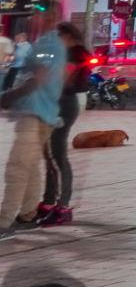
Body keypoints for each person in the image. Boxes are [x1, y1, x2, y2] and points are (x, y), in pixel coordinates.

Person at [0, 13, 64, 236]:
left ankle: (3, 221)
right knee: (30, 167)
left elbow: (39, 77)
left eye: (42, 17)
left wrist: (8, 97)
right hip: (40, 113)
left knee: (17, 167)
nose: (35, 21)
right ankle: (28, 214)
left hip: (35, 113)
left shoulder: (49, 44)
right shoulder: (47, 43)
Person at [34, 23, 89, 227]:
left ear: (68, 36)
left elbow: (62, 80)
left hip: (63, 104)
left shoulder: (75, 54)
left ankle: (63, 206)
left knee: (58, 155)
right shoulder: (67, 53)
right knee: (49, 154)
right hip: (58, 102)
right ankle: (48, 201)